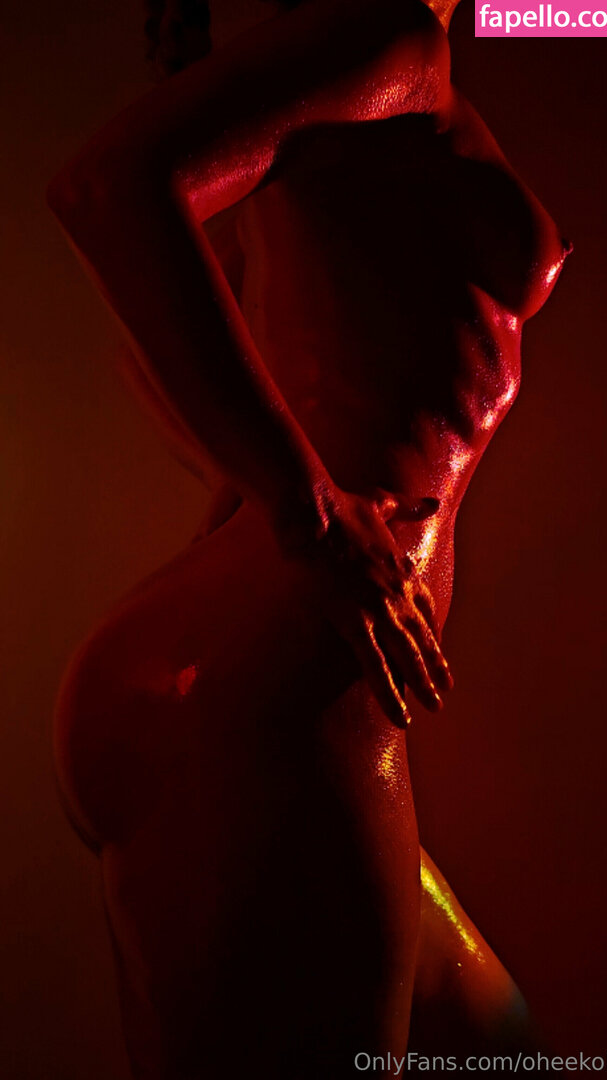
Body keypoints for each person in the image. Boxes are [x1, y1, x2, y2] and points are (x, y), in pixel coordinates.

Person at [48, 0, 569, 1075]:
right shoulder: (387, 36)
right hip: (274, 684)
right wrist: (311, 517)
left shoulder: (381, 63)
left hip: (253, 666)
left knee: (497, 1048)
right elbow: (104, 190)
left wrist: (283, 500)